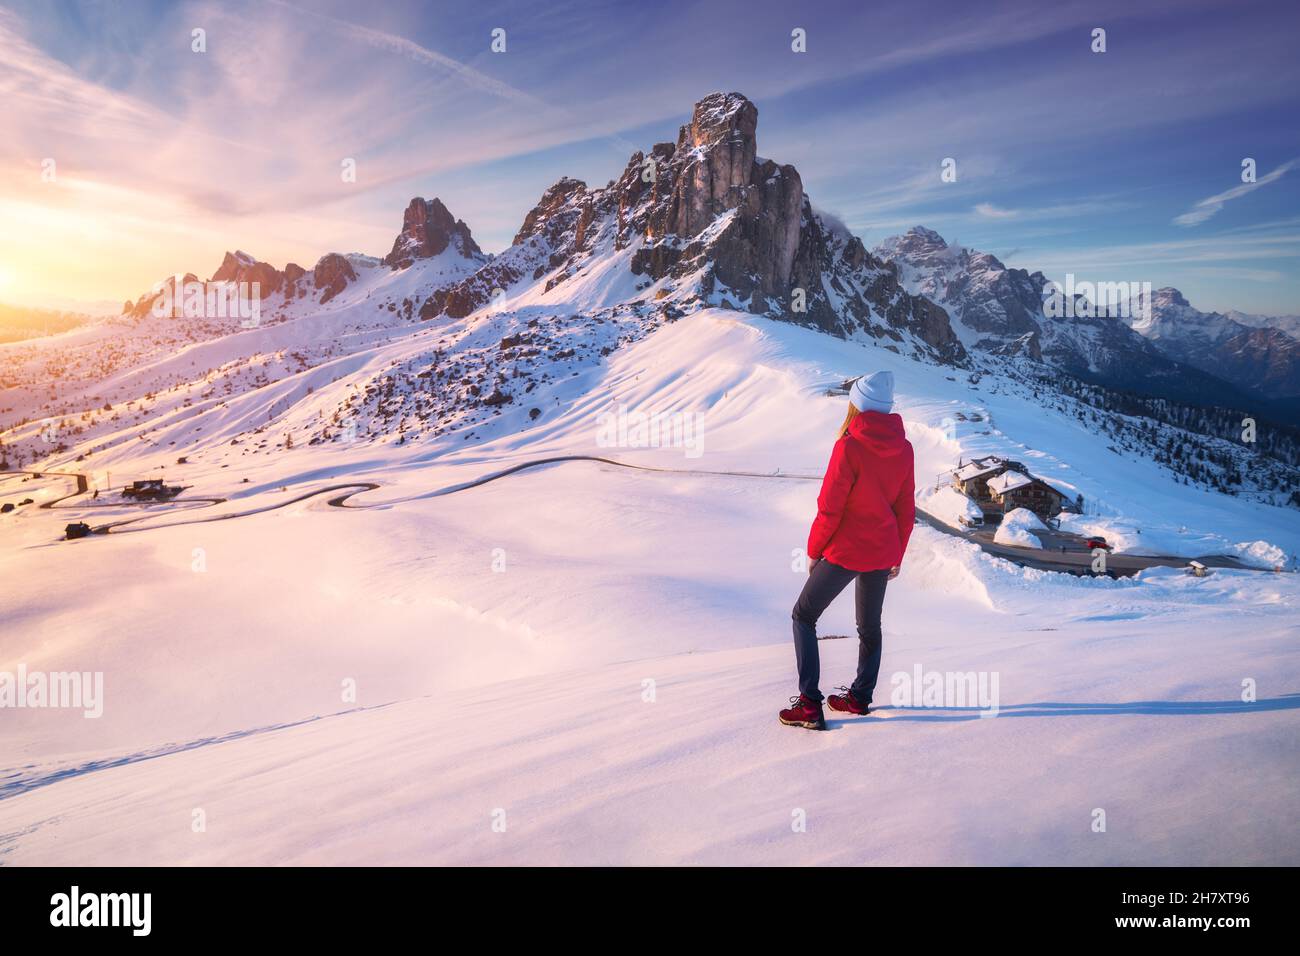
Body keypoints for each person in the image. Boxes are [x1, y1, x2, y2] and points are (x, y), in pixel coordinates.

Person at [779, 371, 915, 730]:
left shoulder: (849, 445)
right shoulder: (905, 447)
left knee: (803, 617)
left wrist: (814, 550)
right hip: (882, 550)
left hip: (845, 551)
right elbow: (905, 508)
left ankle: (809, 704)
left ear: (856, 405)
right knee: (869, 626)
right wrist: (896, 555)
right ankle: (859, 698)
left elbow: (830, 507)